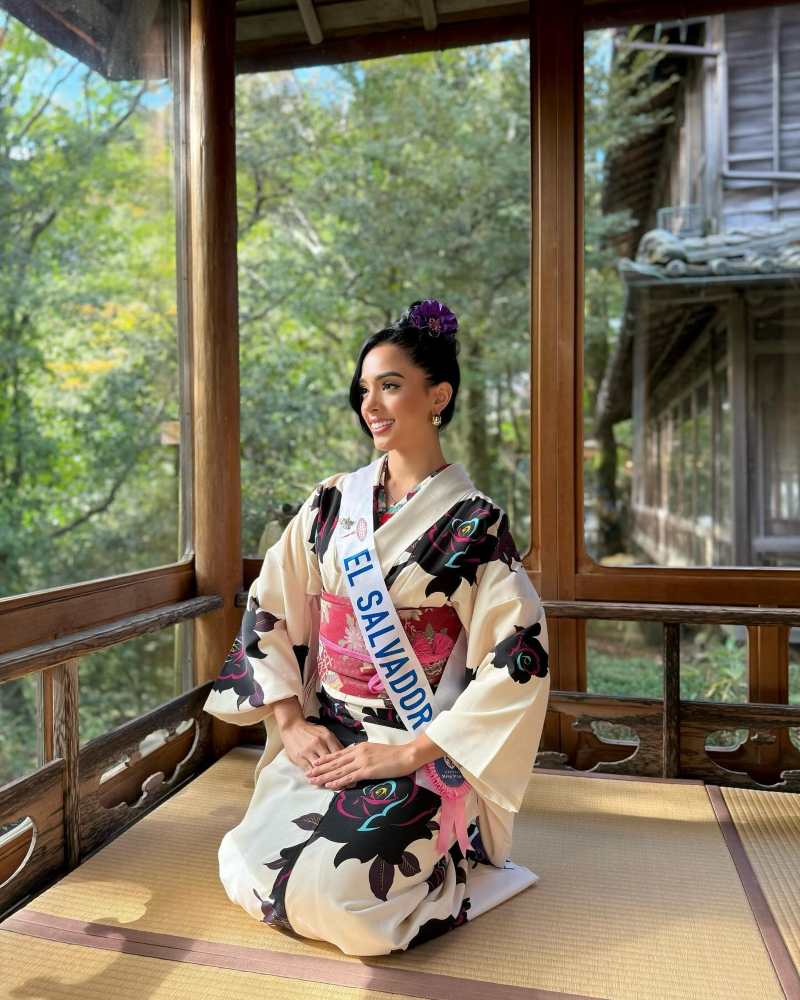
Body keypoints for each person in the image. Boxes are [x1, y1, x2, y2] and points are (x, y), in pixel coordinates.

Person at [202, 299, 550, 956]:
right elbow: (270, 601)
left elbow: (516, 655)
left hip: (420, 747)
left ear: (437, 395)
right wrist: (290, 723)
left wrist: (408, 753)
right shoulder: (332, 501)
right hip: (330, 738)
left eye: (390, 385)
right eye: (365, 389)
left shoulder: (477, 523)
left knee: (344, 905)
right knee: (250, 870)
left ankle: (451, 866)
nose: (372, 404)